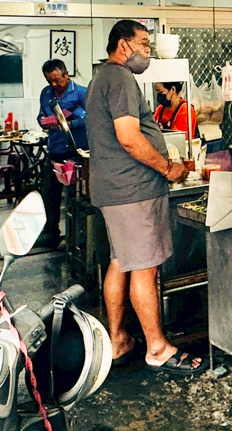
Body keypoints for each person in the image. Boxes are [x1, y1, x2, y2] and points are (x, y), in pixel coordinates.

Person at [86, 19, 204, 376]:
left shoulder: (101, 78)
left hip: (116, 190)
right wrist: (167, 168)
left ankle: (118, 339)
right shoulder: (120, 78)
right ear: (124, 45)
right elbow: (129, 138)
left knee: (120, 261)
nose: (148, 52)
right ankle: (157, 348)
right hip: (133, 191)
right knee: (145, 268)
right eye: (144, 44)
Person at [38, 59, 87, 249]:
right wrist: (43, 122)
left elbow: (92, 118)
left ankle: (76, 237)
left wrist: (69, 124)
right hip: (55, 150)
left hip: (76, 152)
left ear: (67, 75)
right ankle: (50, 232)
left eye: (57, 80)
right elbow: (40, 114)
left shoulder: (81, 93)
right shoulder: (46, 93)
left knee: (75, 196)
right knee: (49, 193)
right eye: (49, 80)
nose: (53, 84)